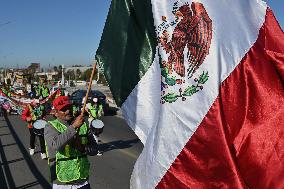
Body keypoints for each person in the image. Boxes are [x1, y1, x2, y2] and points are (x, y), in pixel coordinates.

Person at [44, 96, 97, 189]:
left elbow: (94, 149)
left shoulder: (83, 125)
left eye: (69, 107)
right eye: (63, 109)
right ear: (56, 113)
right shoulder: (50, 126)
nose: (68, 111)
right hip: (62, 182)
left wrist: (84, 148)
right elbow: (55, 145)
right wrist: (73, 127)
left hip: (82, 180)